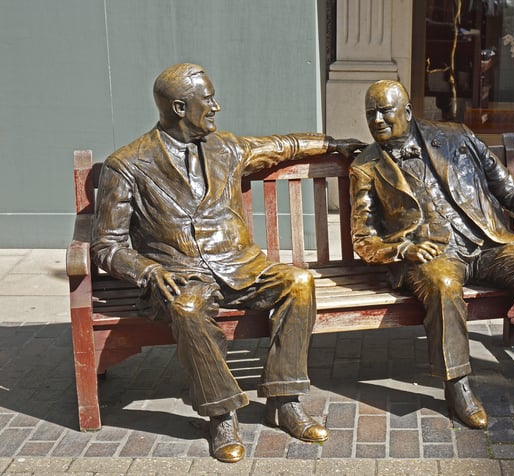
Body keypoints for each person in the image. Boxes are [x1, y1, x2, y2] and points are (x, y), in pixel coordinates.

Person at [91, 63, 363, 463]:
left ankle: (284, 400)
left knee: (299, 282)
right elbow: (106, 245)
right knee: (187, 308)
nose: (216, 106)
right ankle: (222, 415)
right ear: (180, 108)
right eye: (208, 100)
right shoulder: (128, 164)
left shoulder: (228, 148)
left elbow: (282, 146)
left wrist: (332, 144)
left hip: (241, 266)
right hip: (180, 274)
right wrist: (148, 271)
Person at [349, 79, 514, 430]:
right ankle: (457, 387)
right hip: (431, 254)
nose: (377, 119)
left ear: (408, 112)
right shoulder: (365, 166)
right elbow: (363, 238)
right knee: (442, 284)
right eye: (370, 113)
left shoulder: (457, 137)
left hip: (485, 243)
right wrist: (404, 249)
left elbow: (509, 193)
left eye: (385, 111)